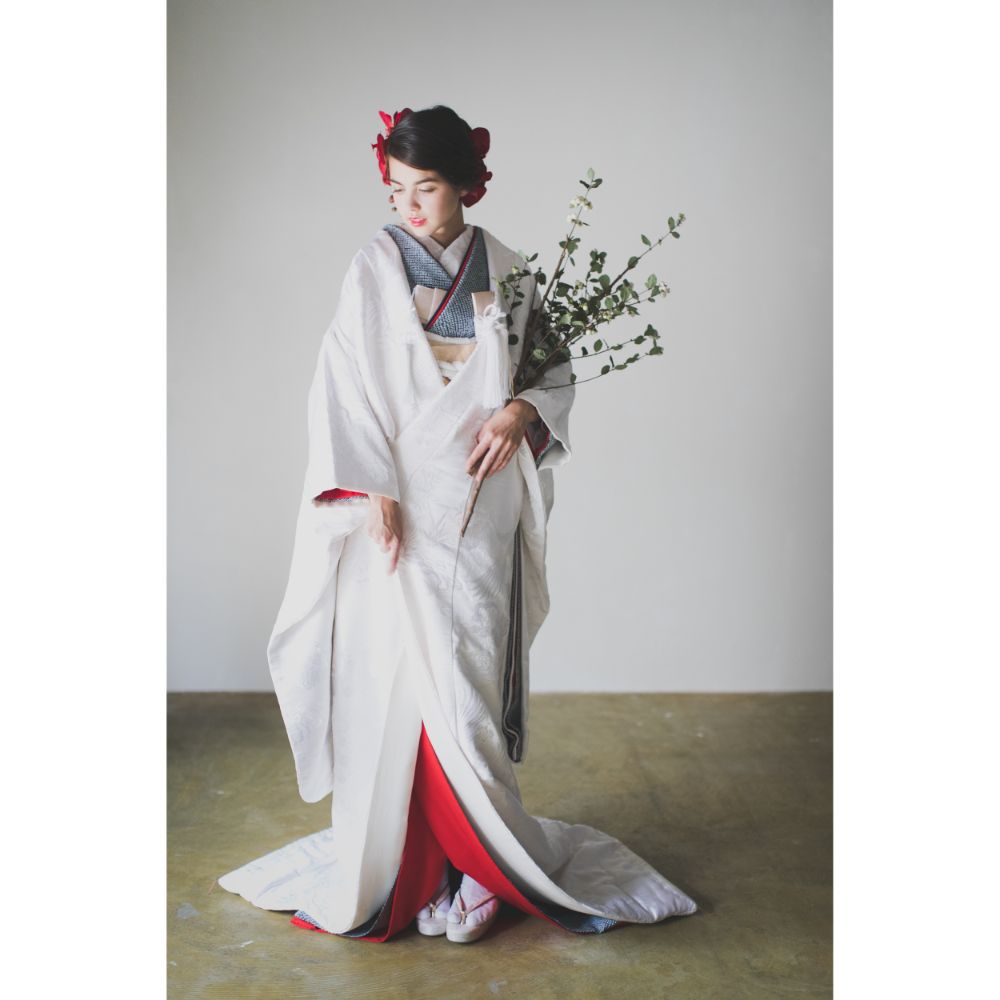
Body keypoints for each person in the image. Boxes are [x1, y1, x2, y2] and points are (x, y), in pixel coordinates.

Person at [217, 105, 697, 943]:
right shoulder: (372, 267)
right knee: (391, 680)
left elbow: (552, 370)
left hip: (478, 498)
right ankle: (418, 870)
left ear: (467, 185)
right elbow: (342, 385)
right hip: (397, 501)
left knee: (465, 682)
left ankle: (481, 868)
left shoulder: (507, 269)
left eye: (427, 188)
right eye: (397, 189)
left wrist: (520, 410)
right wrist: (371, 489)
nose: (409, 206)